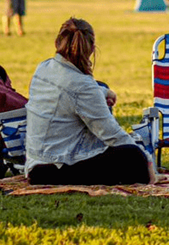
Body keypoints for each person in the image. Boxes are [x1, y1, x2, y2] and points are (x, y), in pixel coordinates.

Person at [25, 18, 156, 186]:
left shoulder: (43, 67)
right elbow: (112, 135)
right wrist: (147, 160)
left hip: (36, 165)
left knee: (100, 86)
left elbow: (69, 93)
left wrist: (103, 91)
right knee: (133, 156)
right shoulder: (82, 86)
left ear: (57, 43)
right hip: (57, 169)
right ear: (92, 49)